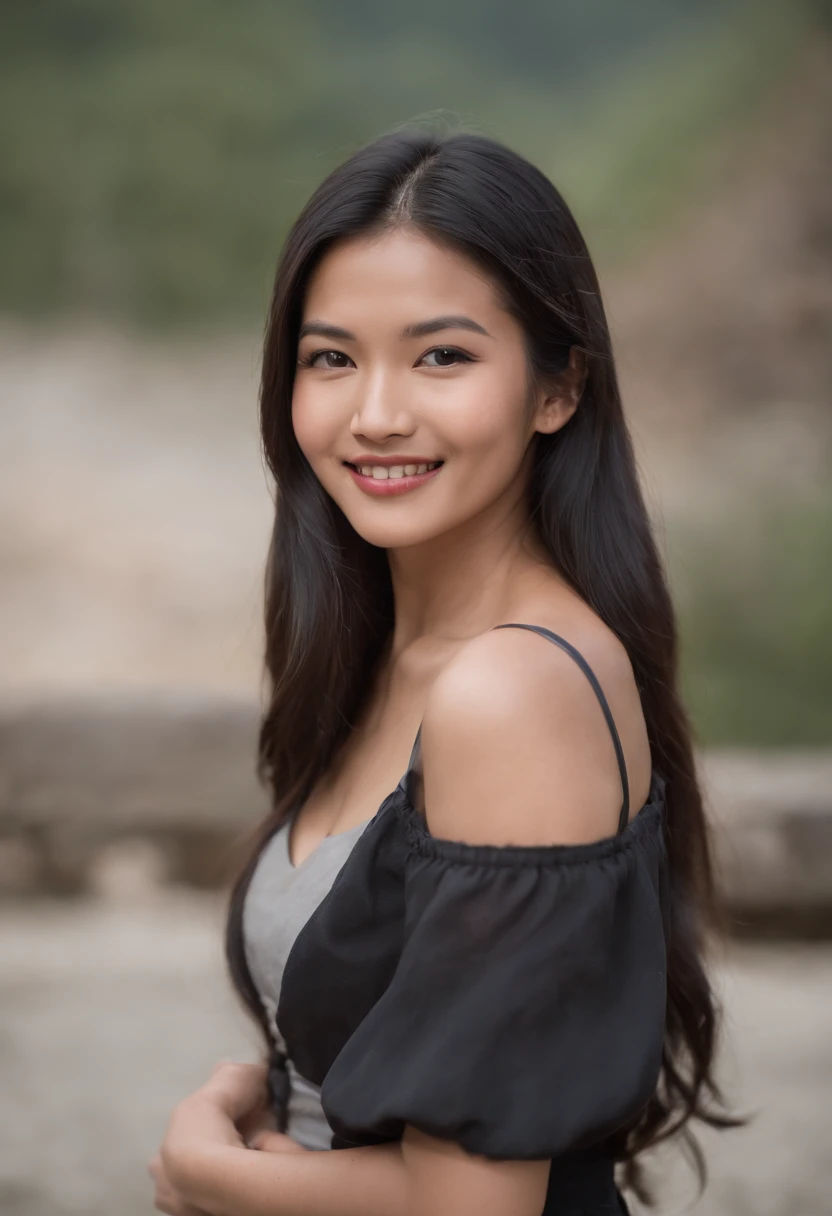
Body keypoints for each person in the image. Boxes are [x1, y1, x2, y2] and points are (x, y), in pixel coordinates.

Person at [149, 126, 740, 1216]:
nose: (375, 413)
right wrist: (259, 1085)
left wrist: (207, 1167)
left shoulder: (510, 690)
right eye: (332, 358)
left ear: (558, 389)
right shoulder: (389, 651)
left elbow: (476, 1204)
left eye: (442, 356)